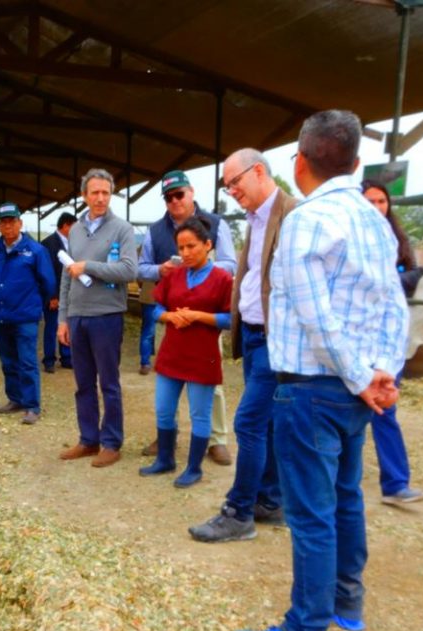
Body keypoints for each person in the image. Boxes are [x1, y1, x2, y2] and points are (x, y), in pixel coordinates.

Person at [232, 110, 408, 631]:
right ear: (356, 163)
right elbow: (395, 306)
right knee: (346, 495)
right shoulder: (375, 221)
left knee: (310, 513)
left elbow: (316, 318)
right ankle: (345, 602)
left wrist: (360, 376)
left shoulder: (307, 221)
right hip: (354, 391)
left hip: (311, 388)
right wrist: (381, 372)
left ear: (299, 162)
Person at [187, 149, 297, 543]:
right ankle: (269, 499)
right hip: (252, 333)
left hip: (274, 337)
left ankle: (238, 513)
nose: (232, 191)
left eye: (236, 182)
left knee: (248, 422)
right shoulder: (256, 218)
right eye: (227, 185)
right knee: (265, 422)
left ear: (259, 171)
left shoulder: (293, 215)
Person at [137, 170, 237, 467]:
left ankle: (216, 439)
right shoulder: (155, 230)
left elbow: (231, 263)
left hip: (206, 313)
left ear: (191, 192)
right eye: (168, 197)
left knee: (209, 384)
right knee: (167, 378)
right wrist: (162, 270)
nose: (174, 201)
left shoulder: (216, 224)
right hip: (172, 311)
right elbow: (141, 267)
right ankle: (167, 438)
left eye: (179, 194)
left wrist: (203, 268)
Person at [57, 168, 138, 468]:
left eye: (106, 192)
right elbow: (67, 275)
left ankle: (111, 442)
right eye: (95, 192)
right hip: (78, 316)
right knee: (83, 383)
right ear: (84, 196)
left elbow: (129, 270)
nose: (101, 198)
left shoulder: (122, 229)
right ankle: (88, 439)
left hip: (106, 316)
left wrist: (88, 266)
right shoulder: (76, 231)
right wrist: (63, 318)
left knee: (109, 383)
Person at [361, 180, 423, 505]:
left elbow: (412, 278)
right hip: (359, 341)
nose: (377, 207)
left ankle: (396, 484)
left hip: (388, 343)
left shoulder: (398, 242)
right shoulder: (351, 239)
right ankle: (341, 478)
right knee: (349, 412)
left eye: (382, 201)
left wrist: (400, 279)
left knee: (385, 408)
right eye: (370, 201)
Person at [0, 201, 56, 425]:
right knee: (8, 361)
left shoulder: (35, 251)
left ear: (20, 223)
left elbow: (48, 283)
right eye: (3, 222)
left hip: (25, 317)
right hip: (2, 316)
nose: (8, 226)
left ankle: (32, 406)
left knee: (27, 362)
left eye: (12, 221)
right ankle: (15, 399)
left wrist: (33, 304)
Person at [40, 212, 77, 373]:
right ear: (66, 225)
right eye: (74, 227)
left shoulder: (73, 243)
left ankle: (67, 357)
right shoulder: (48, 244)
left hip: (70, 294)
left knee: (67, 325)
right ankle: (49, 359)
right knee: (51, 326)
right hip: (54, 295)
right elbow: (46, 273)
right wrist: (52, 296)